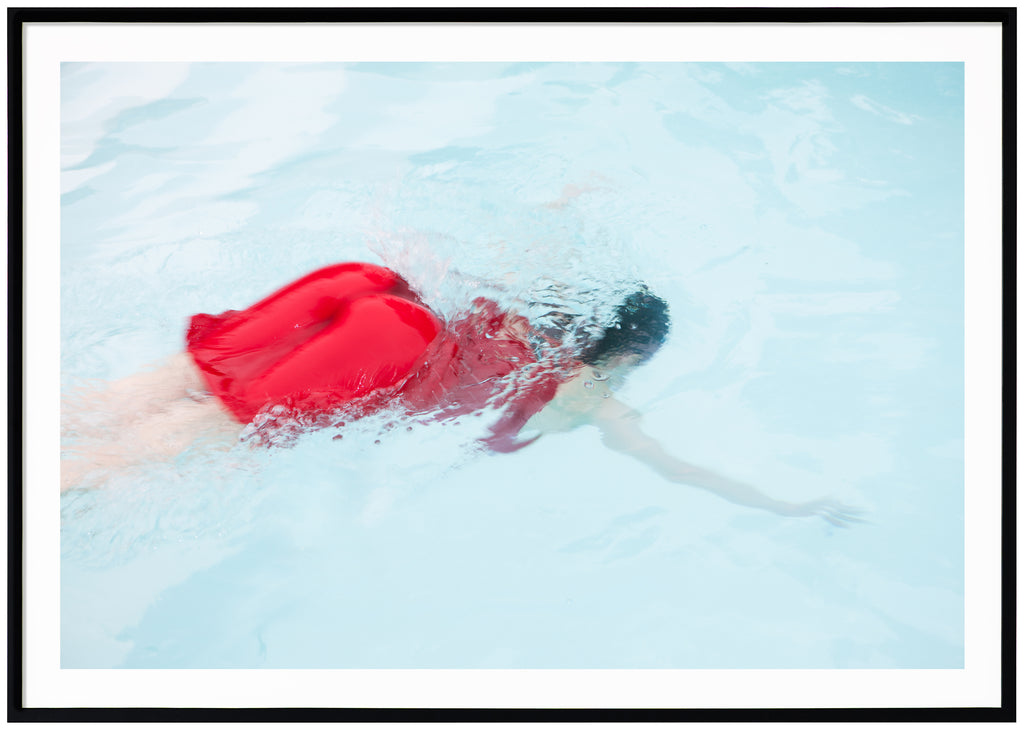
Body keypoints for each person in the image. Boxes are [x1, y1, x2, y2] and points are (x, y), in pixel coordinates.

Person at [60, 262, 863, 527]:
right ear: (623, 355)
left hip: (374, 289)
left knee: (155, 387)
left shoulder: (524, 297)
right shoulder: (582, 388)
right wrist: (793, 508)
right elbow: (679, 469)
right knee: (178, 443)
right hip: (384, 358)